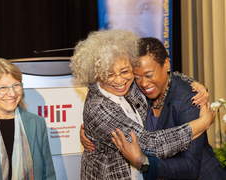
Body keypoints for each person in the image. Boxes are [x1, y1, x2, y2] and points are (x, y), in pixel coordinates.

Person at [70, 29, 214, 180]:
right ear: (97, 74)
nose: (119, 81)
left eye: (125, 71)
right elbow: (148, 144)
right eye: (109, 74)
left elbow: (164, 74)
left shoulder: (132, 84)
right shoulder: (98, 108)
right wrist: (202, 123)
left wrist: (195, 84)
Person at [111, 37, 226, 179]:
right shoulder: (138, 93)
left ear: (166, 64)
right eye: (137, 77)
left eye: (148, 75)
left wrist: (144, 163)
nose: (144, 83)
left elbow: (190, 167)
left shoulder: (188, 100)